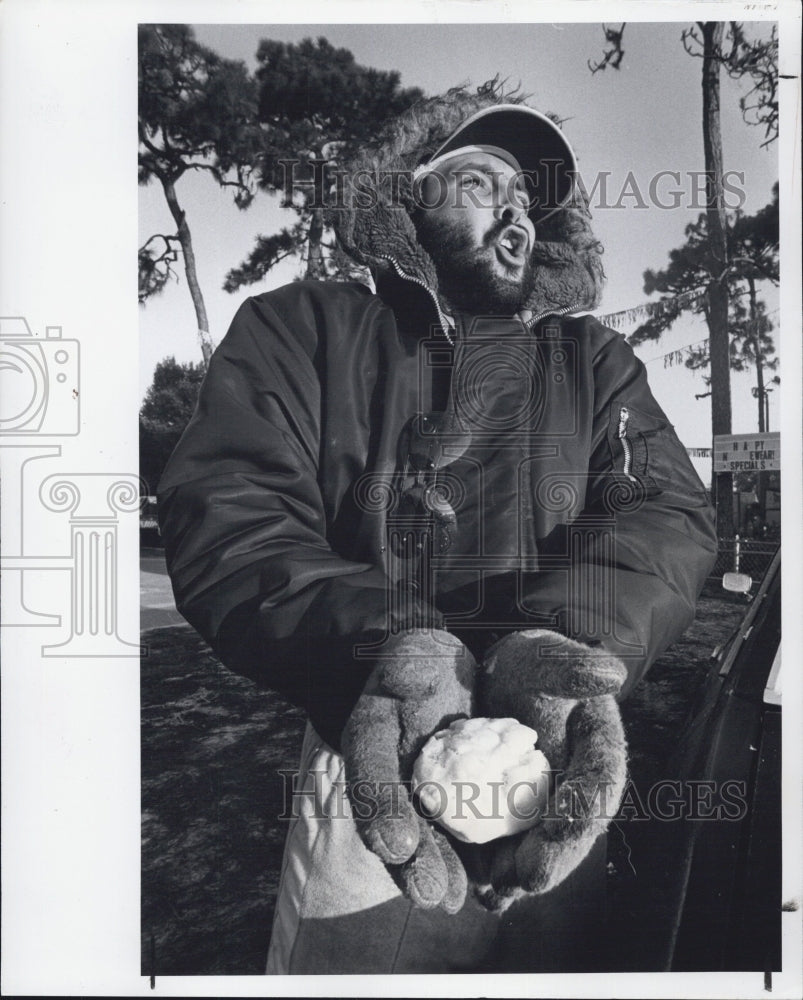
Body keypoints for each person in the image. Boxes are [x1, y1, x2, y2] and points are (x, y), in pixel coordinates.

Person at [158, 82, 718, 974]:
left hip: (555, 749)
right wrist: (385, 654)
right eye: (483, 174)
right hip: (371, 742)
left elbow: (666, 513)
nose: (514, 203)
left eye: (530, 194)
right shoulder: (303, 327)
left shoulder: (595, 361)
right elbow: (231, 513)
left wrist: (569, 640)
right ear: (407, 187)